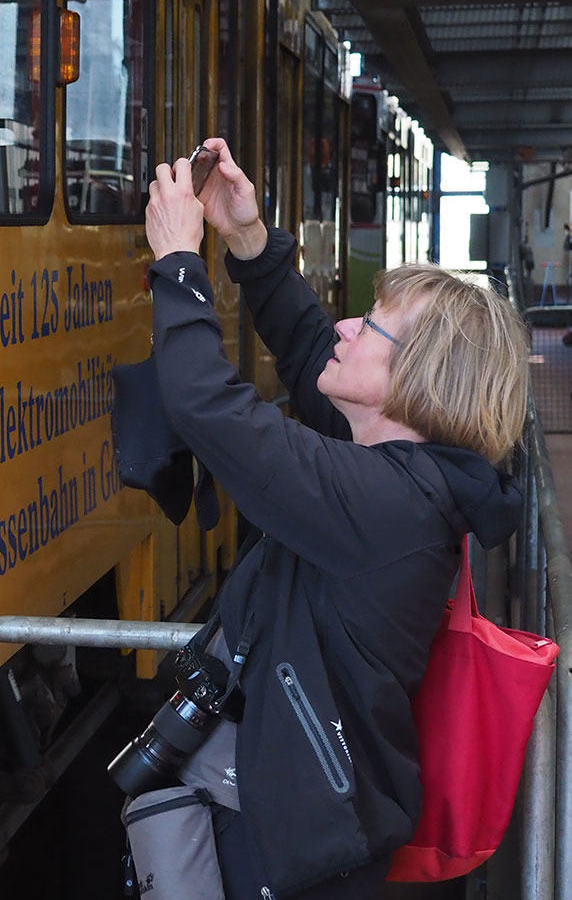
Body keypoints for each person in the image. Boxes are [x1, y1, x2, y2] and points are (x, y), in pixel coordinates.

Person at [140, 138, 529, 898]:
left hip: (298, 856)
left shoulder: (385, 506)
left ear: (416, 384)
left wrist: (180, 263)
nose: (347, 325)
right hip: (302, 827)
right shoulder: (406, 475)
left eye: (372, 326)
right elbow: (310, 346)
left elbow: (211, 411)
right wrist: (249, 242)